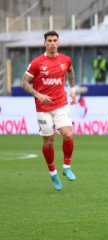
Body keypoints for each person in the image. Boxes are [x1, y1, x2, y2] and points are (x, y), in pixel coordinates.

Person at [21, 30, 77, 191]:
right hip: (43, 108)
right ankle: (53, 173)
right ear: (44, 43)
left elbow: (71, 72)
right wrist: (37, 94)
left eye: (55, 40)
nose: (52, 43)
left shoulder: (65, 60)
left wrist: (72, 89)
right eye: (49, 41)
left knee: (68, 134)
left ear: (58, 42)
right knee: (49, 142)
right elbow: (24, 83)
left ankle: (66, 166)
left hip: (61, 104)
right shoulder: (37, 63)